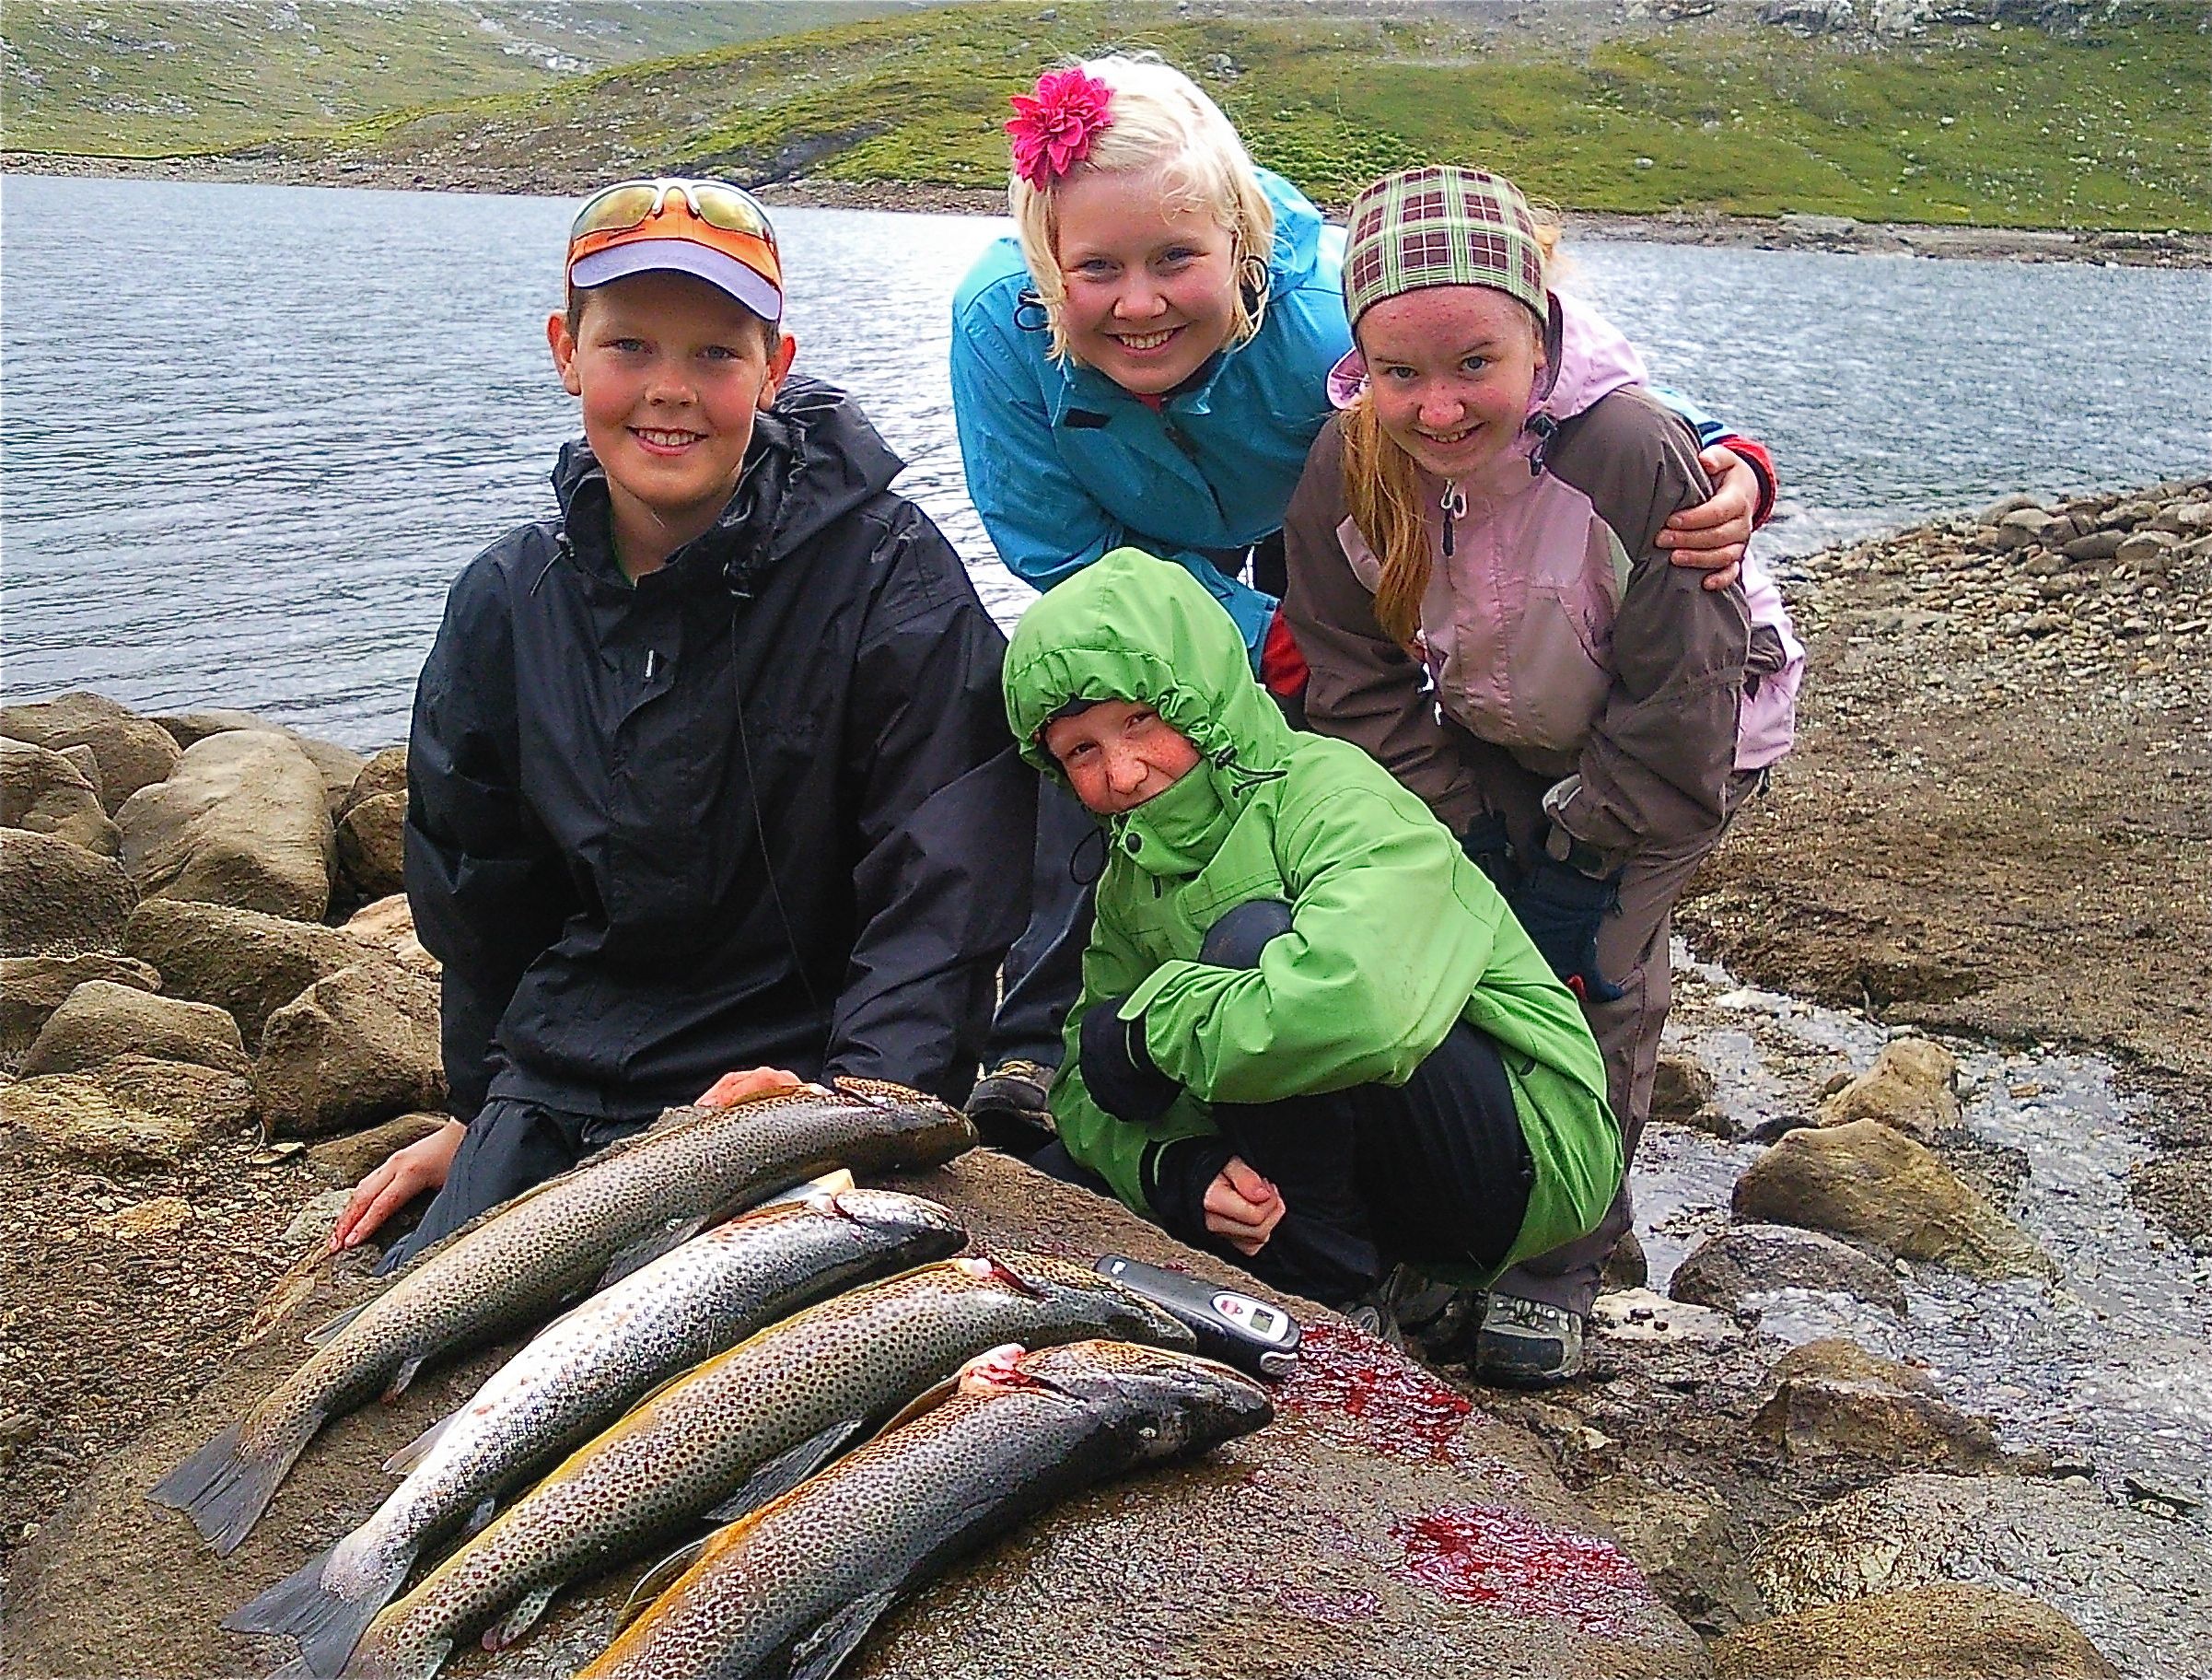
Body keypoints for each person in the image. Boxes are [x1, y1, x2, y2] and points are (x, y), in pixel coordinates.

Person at [949, 54, 1776, 1149]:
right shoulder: (995, 327)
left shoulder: (1333, 315)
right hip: (1139, 538)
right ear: (1047, 267)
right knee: (1108, 716)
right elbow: (1055, 546)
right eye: (1096, 268)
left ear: (1237, 245)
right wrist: (1247, 644)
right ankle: (1045, 1040)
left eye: (1175, 260)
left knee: (1297, 747)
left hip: (1313, 495)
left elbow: (1527, 354)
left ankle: (1307, 997)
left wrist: (1714, 449)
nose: (1139, 302)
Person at [328, 177, 1032, 1265]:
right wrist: (481, 1108)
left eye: (715, 354)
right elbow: (477, 890)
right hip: (560, 1084)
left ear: (774, 368)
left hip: (791, 1088)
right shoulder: (506, 600)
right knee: (425, 1331)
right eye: (629, 347)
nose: (670, 389)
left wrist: (860, 1105)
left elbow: (943, 883)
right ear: (566, 351)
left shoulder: (891, 578)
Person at [1282, 166, 1806, 1383]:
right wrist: (1461, 829)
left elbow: (1682, 689)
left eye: (1474, 363)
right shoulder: (1346, 462)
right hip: (1496, 732)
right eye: (1398, 373)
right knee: (1453, 960)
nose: (1437, 406)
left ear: (1540, 335)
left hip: (1682, 743)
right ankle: (1460, 1219)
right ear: (1360, 363)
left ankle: (1560, 1260)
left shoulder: (1626, 447)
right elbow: (1352, 676)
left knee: (1591, 976)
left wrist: (1582, 851)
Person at [1004, 547, 1624, 1324]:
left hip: (1526, 1153)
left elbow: (1361, 1007)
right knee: (1075, 1142)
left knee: (1249, 950)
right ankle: (1372, 1266)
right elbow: (1082, 1088)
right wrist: (1183, 1171)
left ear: (1201, 692)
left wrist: (1152, 1027)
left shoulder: (1330, 793)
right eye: (1082, 752)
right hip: (1379, 1163)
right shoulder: (1132, 873)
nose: (1123, 772)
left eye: (1140, 719)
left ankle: (1332, 1294)